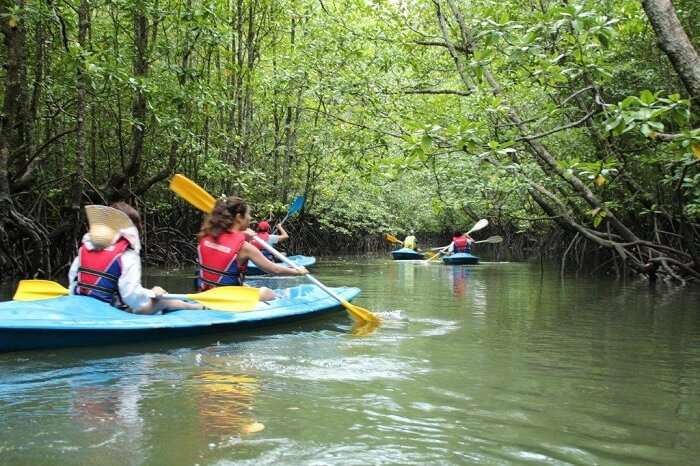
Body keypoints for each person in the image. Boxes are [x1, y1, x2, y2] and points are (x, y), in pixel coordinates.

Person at [69, 203, 203, 314]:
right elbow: (132, 298)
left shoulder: (84, 248)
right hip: (113, 312)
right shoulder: (126, 254)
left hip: (82, 308)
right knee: (162, 301)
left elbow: (73, 285)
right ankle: (199, 308)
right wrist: (152, 293)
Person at [197, 196, 307, 301]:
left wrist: (242, 233)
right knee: (267, 293)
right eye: (248, 215)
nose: (250, 218)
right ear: (239, 217)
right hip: (228, 299)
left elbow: (226, 241)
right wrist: (297, 271)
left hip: (205, 293)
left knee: (246, 286)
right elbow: (274, 269)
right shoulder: (245, 247)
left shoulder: (207, 235)